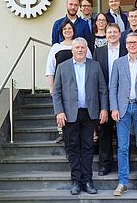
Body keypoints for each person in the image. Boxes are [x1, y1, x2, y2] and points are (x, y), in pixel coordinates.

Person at [53, 37, 108, 195]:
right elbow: (56, 92)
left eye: (82, 47)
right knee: (72, 148)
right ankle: (76, 181)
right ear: (72, 50)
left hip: (89, 113)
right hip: (69, 114)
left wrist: (104, 109)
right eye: (77, 47)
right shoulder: (63, 67)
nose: (80, 50)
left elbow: (103, 89)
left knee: (88, 148)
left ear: (86, 49)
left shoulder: (95, 66)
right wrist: (59, 111)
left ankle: (87, 181)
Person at [110, 33, 137, 196]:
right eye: (129, 42)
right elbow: (113, 88)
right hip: (122, 108)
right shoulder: (118, 63)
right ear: (125, 44)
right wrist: (114, 108)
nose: (132, 45)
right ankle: (123, 182)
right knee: (122, 147)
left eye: (135, 42)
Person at [46, 20, 92, 144]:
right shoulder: (56, 47)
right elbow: (50, 68)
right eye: (65, 29)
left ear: (73, 31)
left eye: (69, 29)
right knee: (61, 108)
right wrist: (52, 86)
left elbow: (90, 64)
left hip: (79, 82)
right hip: (61, 83)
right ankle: (61, 132)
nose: (67, 31)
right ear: (61, 32)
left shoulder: (80, 45)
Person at [93, 23, 125, 176]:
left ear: (120, 34)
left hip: (123, 96)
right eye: (109, 32)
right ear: (105, 35)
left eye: (115, 32)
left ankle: (122, 163)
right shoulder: (98, 52)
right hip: (104, 96)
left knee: (122, 132)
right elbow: (94, 75)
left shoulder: (126, 50)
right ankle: (105, 164)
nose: (112, 34)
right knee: (105, 131)